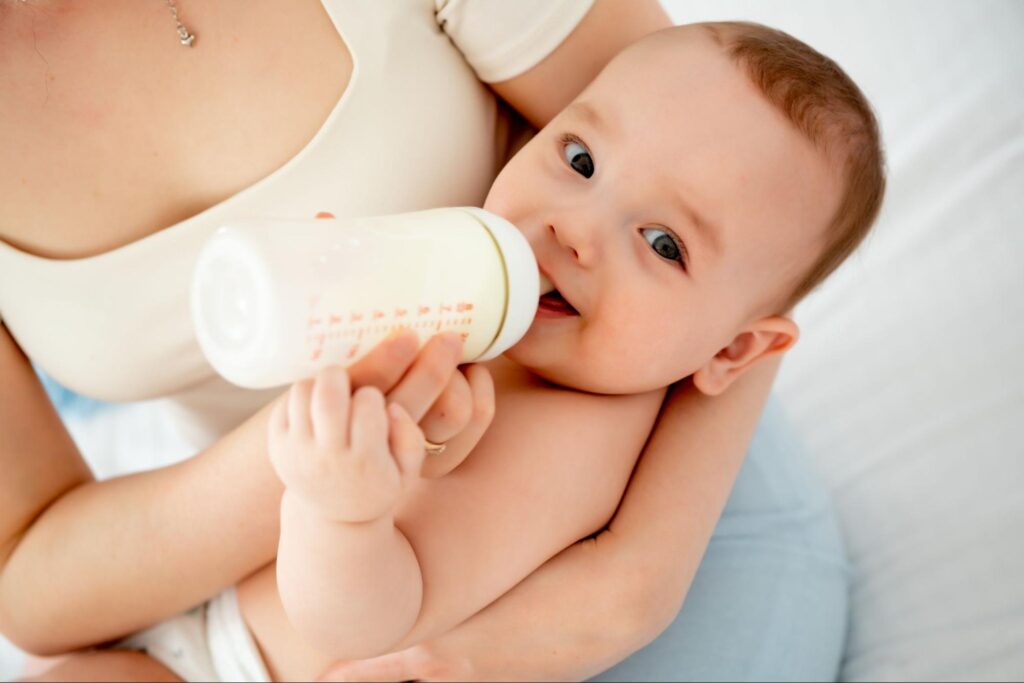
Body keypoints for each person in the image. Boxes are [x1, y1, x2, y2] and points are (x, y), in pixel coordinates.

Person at [0, 2, 861, 681]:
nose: (572, 231)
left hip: (262, 650)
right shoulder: (525, 331)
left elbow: (369, 623)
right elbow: (30, 574)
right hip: (198, 605)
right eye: (578, 161)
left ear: (733, 352)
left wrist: (339, 508)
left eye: (663, 243)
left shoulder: (576, 437)